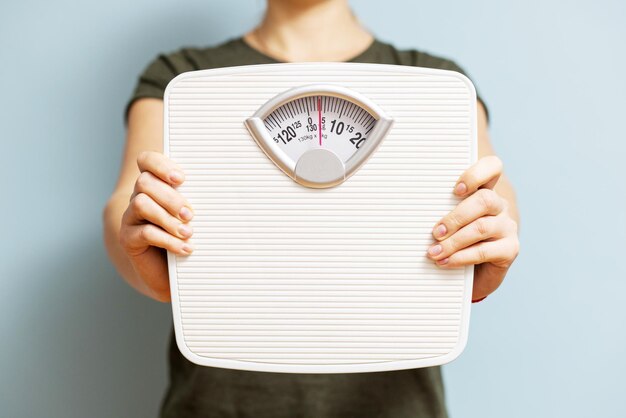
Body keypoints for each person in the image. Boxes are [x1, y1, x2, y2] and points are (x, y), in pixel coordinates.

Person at [102, 0, 520, 416]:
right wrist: (146, 261)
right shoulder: (182, 75)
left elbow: (495, 200)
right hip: (217, 404)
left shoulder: (438, 81)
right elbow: (128, 201)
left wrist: (486, 246)